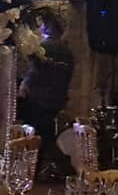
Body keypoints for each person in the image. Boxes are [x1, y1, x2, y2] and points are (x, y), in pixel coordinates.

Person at [16, 16, 74, 176]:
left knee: (42, 137)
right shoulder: (66, 50)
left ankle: (67, 170)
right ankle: (36, 170)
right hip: (56, 98)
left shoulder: (44, 47)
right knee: (43, 135)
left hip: (39, 98)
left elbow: (35, 70)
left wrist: (25, 85)